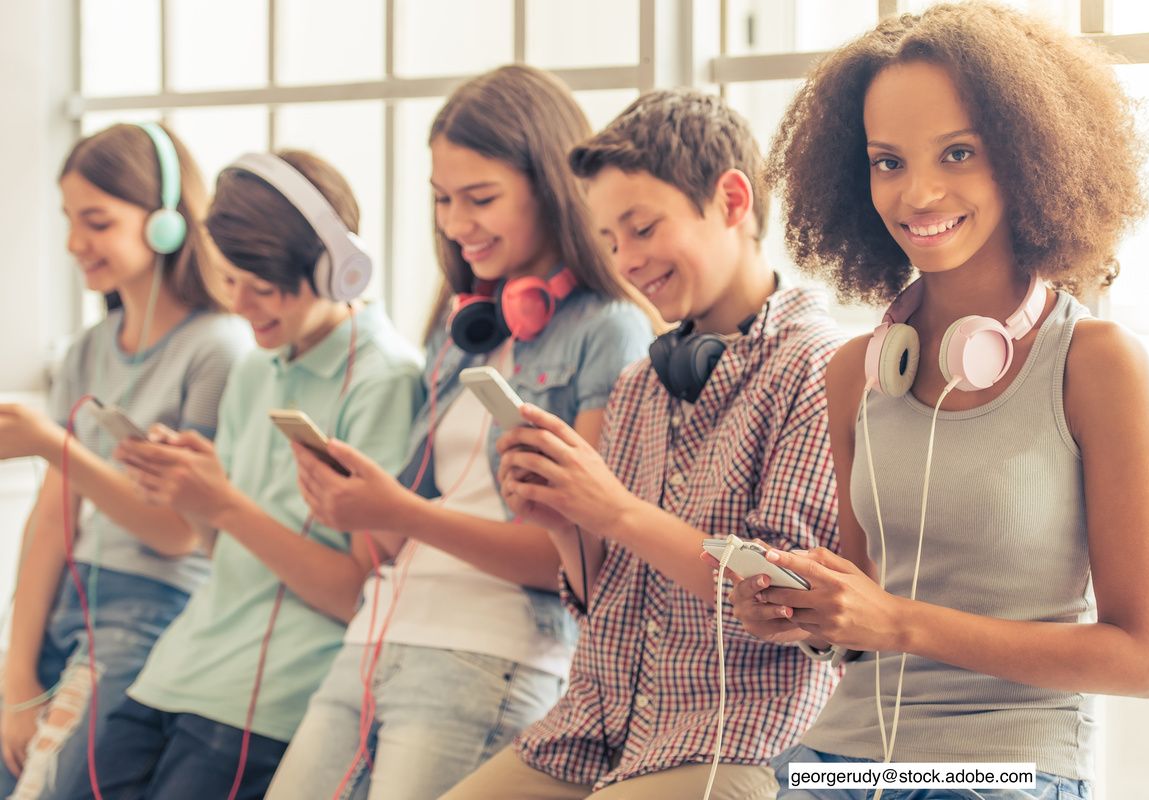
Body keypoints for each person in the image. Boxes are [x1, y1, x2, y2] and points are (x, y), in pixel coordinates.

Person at [731, 4, 1149, 798]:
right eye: (887, 161)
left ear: (1029, 156)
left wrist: (897, 621)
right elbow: (858, 614)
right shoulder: (860, 370)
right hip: (840, 762)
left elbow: (1138, 660)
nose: (919, 193)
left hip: (1003, 768)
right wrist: (802, 615)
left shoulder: (1095, 364)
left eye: (958, 153)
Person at [265, 65, 653, 800]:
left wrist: (397, 512)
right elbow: (395, 536)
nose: (455, 222)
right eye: (443, 198)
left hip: (489, 653)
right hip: (379, 638)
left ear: (551, 188)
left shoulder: (610, 329)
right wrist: (352, 504)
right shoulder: (462, 329)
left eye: (480, 198)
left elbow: (569, 558)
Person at [444, 88, 843, 799]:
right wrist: (567, 524)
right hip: (590, 734)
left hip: (735, 739)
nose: (626, 260)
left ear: (730, 201)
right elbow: (613, 601)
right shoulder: (639, 385)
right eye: (608, 240)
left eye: (642, 228)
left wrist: (615, 512)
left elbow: (788, 603)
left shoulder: (818, 368)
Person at [82, 150, 422, 799]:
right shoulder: (255, 368)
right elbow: (225, 553)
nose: (240, 306)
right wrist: (198, 496)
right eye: (229, 281)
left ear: (333, 270)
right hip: (178, 667)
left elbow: (356, 594)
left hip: (267, 696)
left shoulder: (384, 380)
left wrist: (227, 505)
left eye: (260, 288)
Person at [0, 122, 249, 799]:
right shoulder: (88, 349)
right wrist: (15, 673)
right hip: (65, 602)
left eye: (97, 222)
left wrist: (56, 445)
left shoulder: (218, 349)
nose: (75, 244)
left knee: (57, 786)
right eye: (69, 221)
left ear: (166, 223)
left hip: (153, 608)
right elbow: (52, 520)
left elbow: (177, 531)